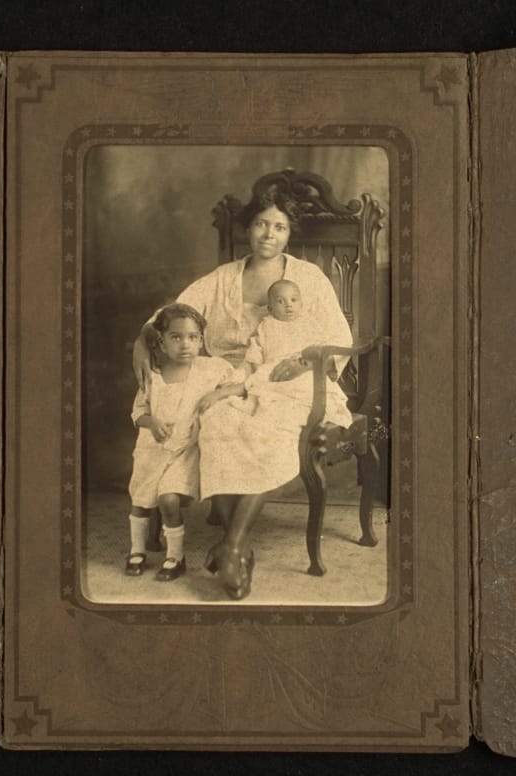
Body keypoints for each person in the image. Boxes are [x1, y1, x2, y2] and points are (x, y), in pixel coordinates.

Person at [132, 182, 352, 599]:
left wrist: (304, 362)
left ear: (290, 234)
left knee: (265, 430)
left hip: (295, 382)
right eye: (261, 225)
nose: (269, 234)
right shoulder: (222, 278)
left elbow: (338, 335)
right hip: (230, 379)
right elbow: (169, 313)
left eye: (280, 227)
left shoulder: (309, 278)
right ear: (247, 229)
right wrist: (141, 342)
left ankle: (231, 547)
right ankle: (239, 544)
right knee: (213, 419)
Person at [126, 304, 240, 582]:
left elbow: (241, 384)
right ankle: (136, 550)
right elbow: (138, 412)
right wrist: (151, 422)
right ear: (161, 342)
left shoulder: (212, 370)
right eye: (176, 337)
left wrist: (218, 396)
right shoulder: (152, 374)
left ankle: (175, 556)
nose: (185, 344)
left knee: (169, 499)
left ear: (201, 341)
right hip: (152, 450)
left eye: (192, 337)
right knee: (140, 502)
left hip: (185, 451)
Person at [232, 279, 352, 422]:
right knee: (261, 385)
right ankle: (264, 410)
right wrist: (259, 368)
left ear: (301, 304)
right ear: (270, 309)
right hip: (273, 371)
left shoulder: (309, 324)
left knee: (306, 388)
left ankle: (300, 412)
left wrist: (306, 364)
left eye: (294, 300)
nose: (288, 305)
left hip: (303, 369)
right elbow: (255, 351)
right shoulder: (266, 326)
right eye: (280, 301)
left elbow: (321, 349)